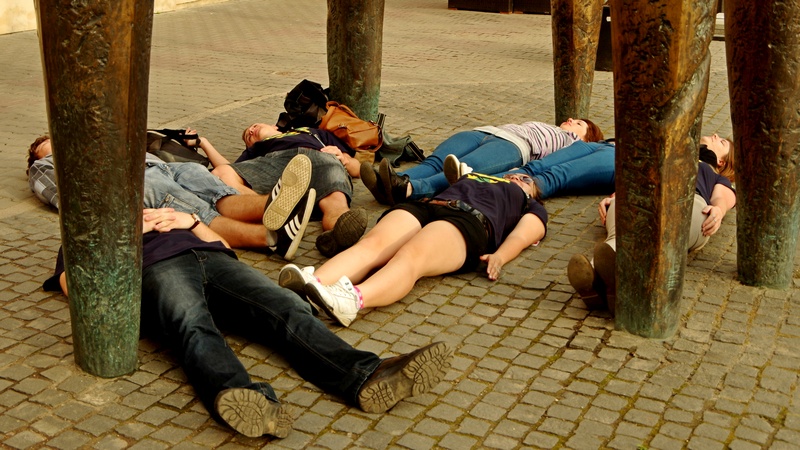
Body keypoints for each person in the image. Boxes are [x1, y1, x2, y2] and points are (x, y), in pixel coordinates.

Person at [43, 207, 453, 439]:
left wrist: (191, 222)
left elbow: (223, 247)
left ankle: (365, 376)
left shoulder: (171, 215)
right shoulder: (89, 233)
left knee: (286, 306)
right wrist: (118, 239)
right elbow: (73, 287)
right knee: (192, 324)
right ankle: (245, 399)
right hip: (159, 270)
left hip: (215, 262)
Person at [278, 170, 549, 327]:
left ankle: (353, 301)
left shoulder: (530, 205)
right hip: (428, 206)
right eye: (513, 173)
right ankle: (312, 285)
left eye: (525, 179)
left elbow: (524, 234)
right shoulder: (479, 177)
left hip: (471, 221)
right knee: (373, 245)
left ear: (533, 193)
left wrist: (500, 256)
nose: (515, 176)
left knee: (410, 256)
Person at [26, 136, 314, 260]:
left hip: (163, 167)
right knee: (195, 208)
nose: (58, 144)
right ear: (39, 156)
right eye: (49, 145)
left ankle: (273, 204)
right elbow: (65, 198)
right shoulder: (44, 166)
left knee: (215, 189)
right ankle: (269, 238)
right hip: (134, 182)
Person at [566, 140, 736, 314]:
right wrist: (617, 196)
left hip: (689, 202)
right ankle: (600, 281)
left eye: (722, 141)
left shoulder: (713, 174)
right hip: (645, 193)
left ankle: (604, 281)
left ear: (721, 162)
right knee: (622, 229)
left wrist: (718, 210)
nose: (715, 135)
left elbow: (723, 198)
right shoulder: (667, 154)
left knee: (659, 235)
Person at [362, 118, 604, 205]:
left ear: (587, 138)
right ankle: (389, 184)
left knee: (455, 170)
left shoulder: (573, 144)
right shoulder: (550, 127)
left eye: (579, 123)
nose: (571, 120)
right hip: (484, 132)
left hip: (512, 146)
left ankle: (409, 190)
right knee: (435, 162)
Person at [209, 123, 367, 257]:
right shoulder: (256, 150)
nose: (250, 131)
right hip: (276, 162)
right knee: (222, 173)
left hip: (320, 156)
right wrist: (203, 142)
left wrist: (344, 158)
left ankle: (337, 234)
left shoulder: (310, 131)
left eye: (254, 126)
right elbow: (227, 168)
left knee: (335, 200)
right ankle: (275, 215)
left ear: (274, 126)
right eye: (248, 137)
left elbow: (357, 170)